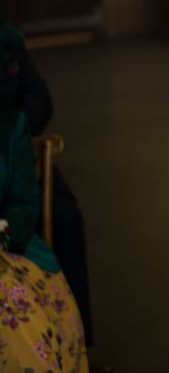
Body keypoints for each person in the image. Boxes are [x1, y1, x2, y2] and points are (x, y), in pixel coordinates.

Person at [0, 15, 95, 348]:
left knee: (65, 217)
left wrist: (14, 132)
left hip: (14, 152)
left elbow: (40, 100)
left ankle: (77, 340)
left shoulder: (8, 40)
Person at [0, 109, 88, 372]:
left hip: (9, 251)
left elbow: (24, 202)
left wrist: (6, 229)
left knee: (12, 314)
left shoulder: (10, 124)